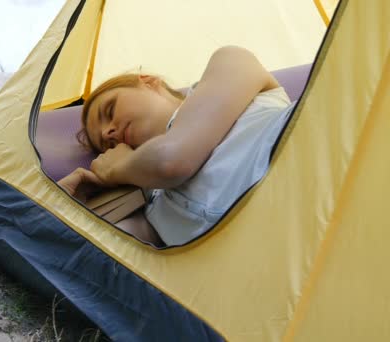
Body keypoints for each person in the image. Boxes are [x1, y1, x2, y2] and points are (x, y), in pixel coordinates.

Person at [58, 46, 295, 246]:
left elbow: (171, 161)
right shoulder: (154, 207)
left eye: (110, 111)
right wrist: (60, 206)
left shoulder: (231, 61)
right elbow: (104, 253)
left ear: (148, 82)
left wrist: (115, 169)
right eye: (106, 144)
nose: (108, 131)